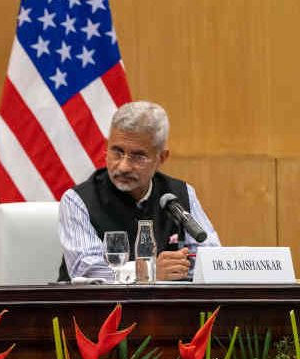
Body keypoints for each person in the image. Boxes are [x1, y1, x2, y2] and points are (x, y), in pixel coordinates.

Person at [58, 101, 220, 282]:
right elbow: (86, 271)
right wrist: (148, 273)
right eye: (117, 152)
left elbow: (211, 259)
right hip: (98, 309)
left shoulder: (180, 194)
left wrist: (179, 267)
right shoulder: (78, 200)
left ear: (161, 158)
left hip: (166, 307)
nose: (124, 166)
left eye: (138, 156)